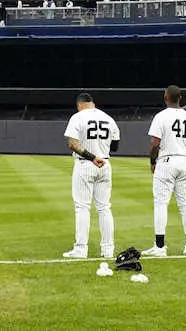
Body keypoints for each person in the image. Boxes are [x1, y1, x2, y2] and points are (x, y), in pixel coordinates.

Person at [62, 92, 121, 259]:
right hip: (105, 164)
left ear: (79, 105)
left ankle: (81, 249)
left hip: (86, 163)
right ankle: (108, 249)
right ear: (92, 103)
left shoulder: (78, 117)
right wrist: (100, 153)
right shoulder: (109, 118)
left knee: (82, 207)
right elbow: (115, 147)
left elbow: (73, 144)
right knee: (104, 208)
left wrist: (92, 157)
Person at [144, 85, 186, 257]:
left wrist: (153, 161)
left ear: (165, 97)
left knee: (161, 203)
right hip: (184, 161)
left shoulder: (161, 116)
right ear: (180, 98)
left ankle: (160, 246)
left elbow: (155, 142)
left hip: (166, 160)